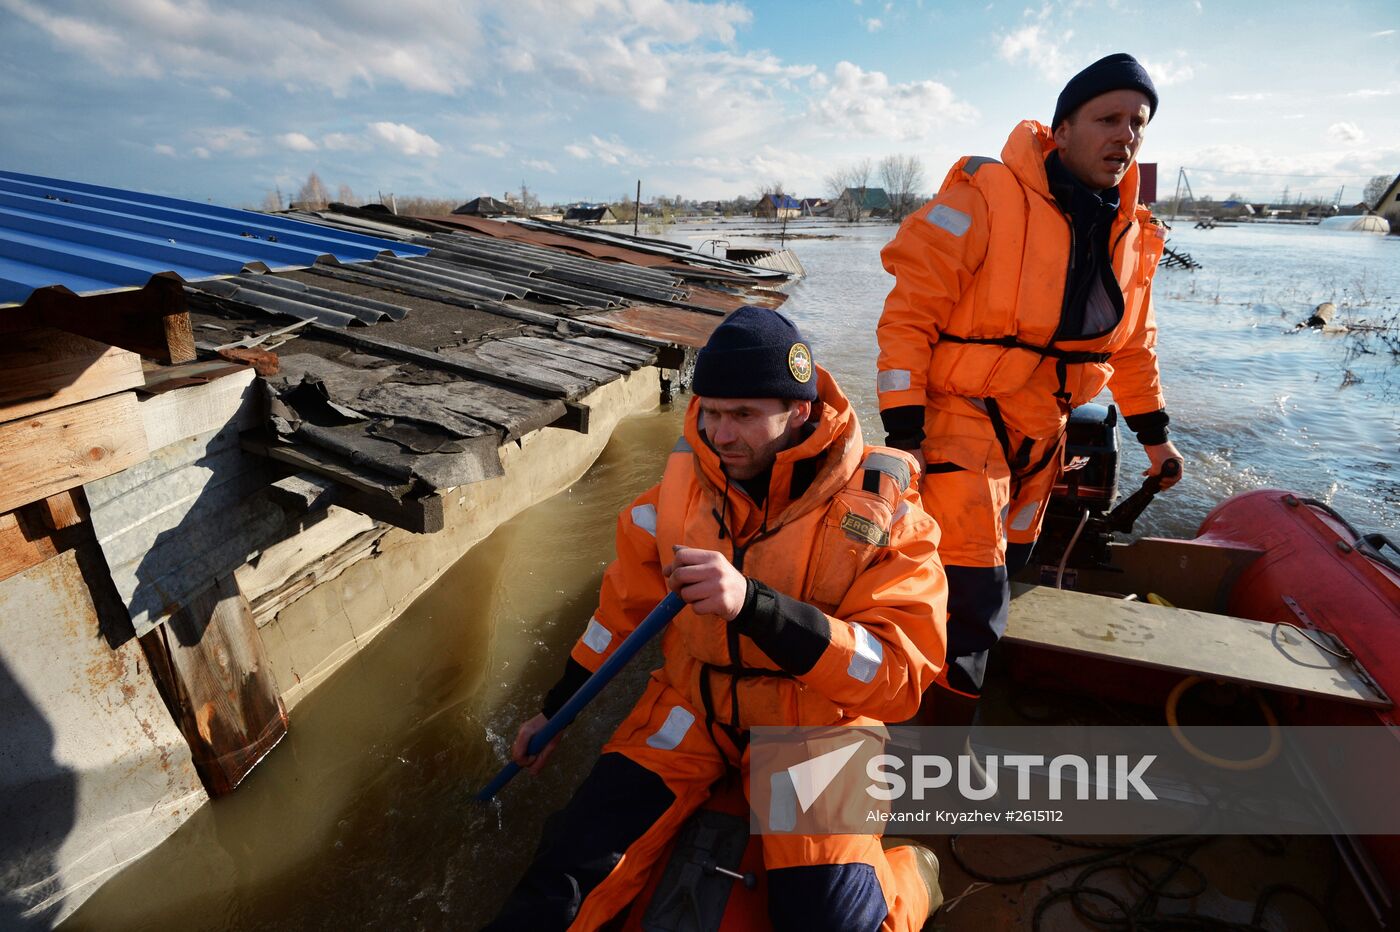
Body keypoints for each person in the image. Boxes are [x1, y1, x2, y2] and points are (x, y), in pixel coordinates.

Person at [485, 306, 948, 932]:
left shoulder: (891, 519)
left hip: (814, 733)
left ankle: (912, 877)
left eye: (745, 416)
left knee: (835, 923)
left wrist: (756, 606)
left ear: (800, 413)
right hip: (691, 712)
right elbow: (618, 613)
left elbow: (896, 677)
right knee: (559, 878)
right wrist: (556, 708)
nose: (722, 435)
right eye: (711, 412)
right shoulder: (674, 497)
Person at [876, 53, 1184, 724]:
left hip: (1043, 434)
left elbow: (1133, 346)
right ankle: (934, 749)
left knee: (1011, 565)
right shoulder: (983, 197)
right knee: (972, 593)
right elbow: (909, 313)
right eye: (1108, 118)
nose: (1125, 135)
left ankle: (958, 688)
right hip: (959, 420)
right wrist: (905, 429)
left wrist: (1155, 439)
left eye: (1138, 123)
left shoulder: (1135, 236)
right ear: (1063, 128)